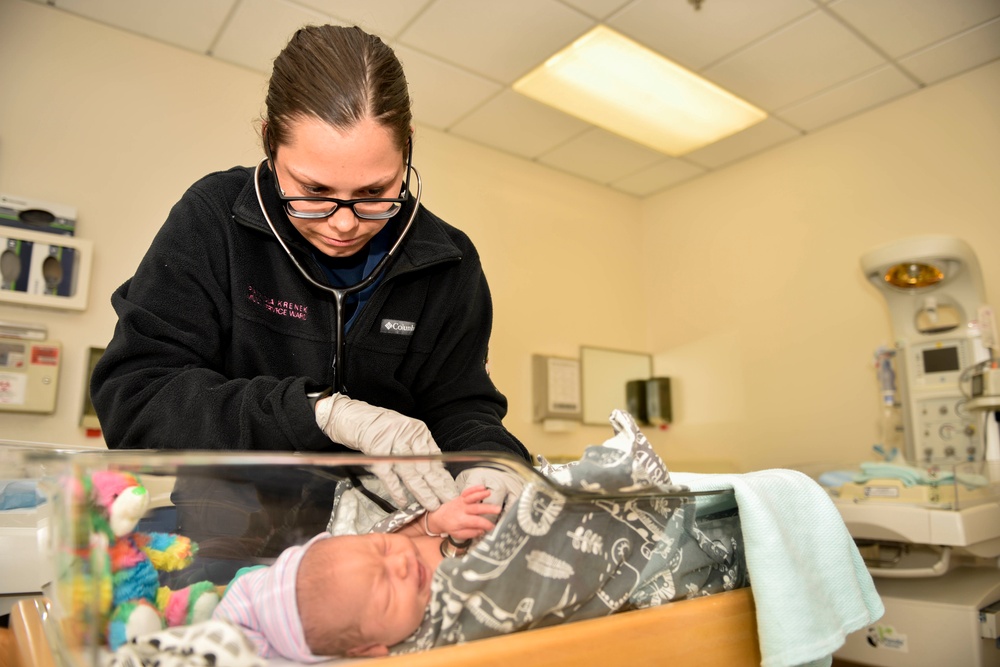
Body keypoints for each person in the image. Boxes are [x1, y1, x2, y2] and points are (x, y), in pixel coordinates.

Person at [89, 23, 528, 514]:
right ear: (269, 143)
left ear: (407, 150)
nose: (344, 224)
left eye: (374, 193)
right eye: (315, 192)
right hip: (230, 539)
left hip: (390, 543)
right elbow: (137, 398)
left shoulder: (449, 262)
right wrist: (318, 414)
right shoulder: (213, 219)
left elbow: (461, 408)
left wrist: (494, 462)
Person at [211, 485, 501, 661]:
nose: (400, 562)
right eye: (386, 593)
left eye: (382, 548)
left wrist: (437, 520)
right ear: (370, 649)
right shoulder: (418, 643)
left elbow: (403, 528)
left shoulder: (386, 543)